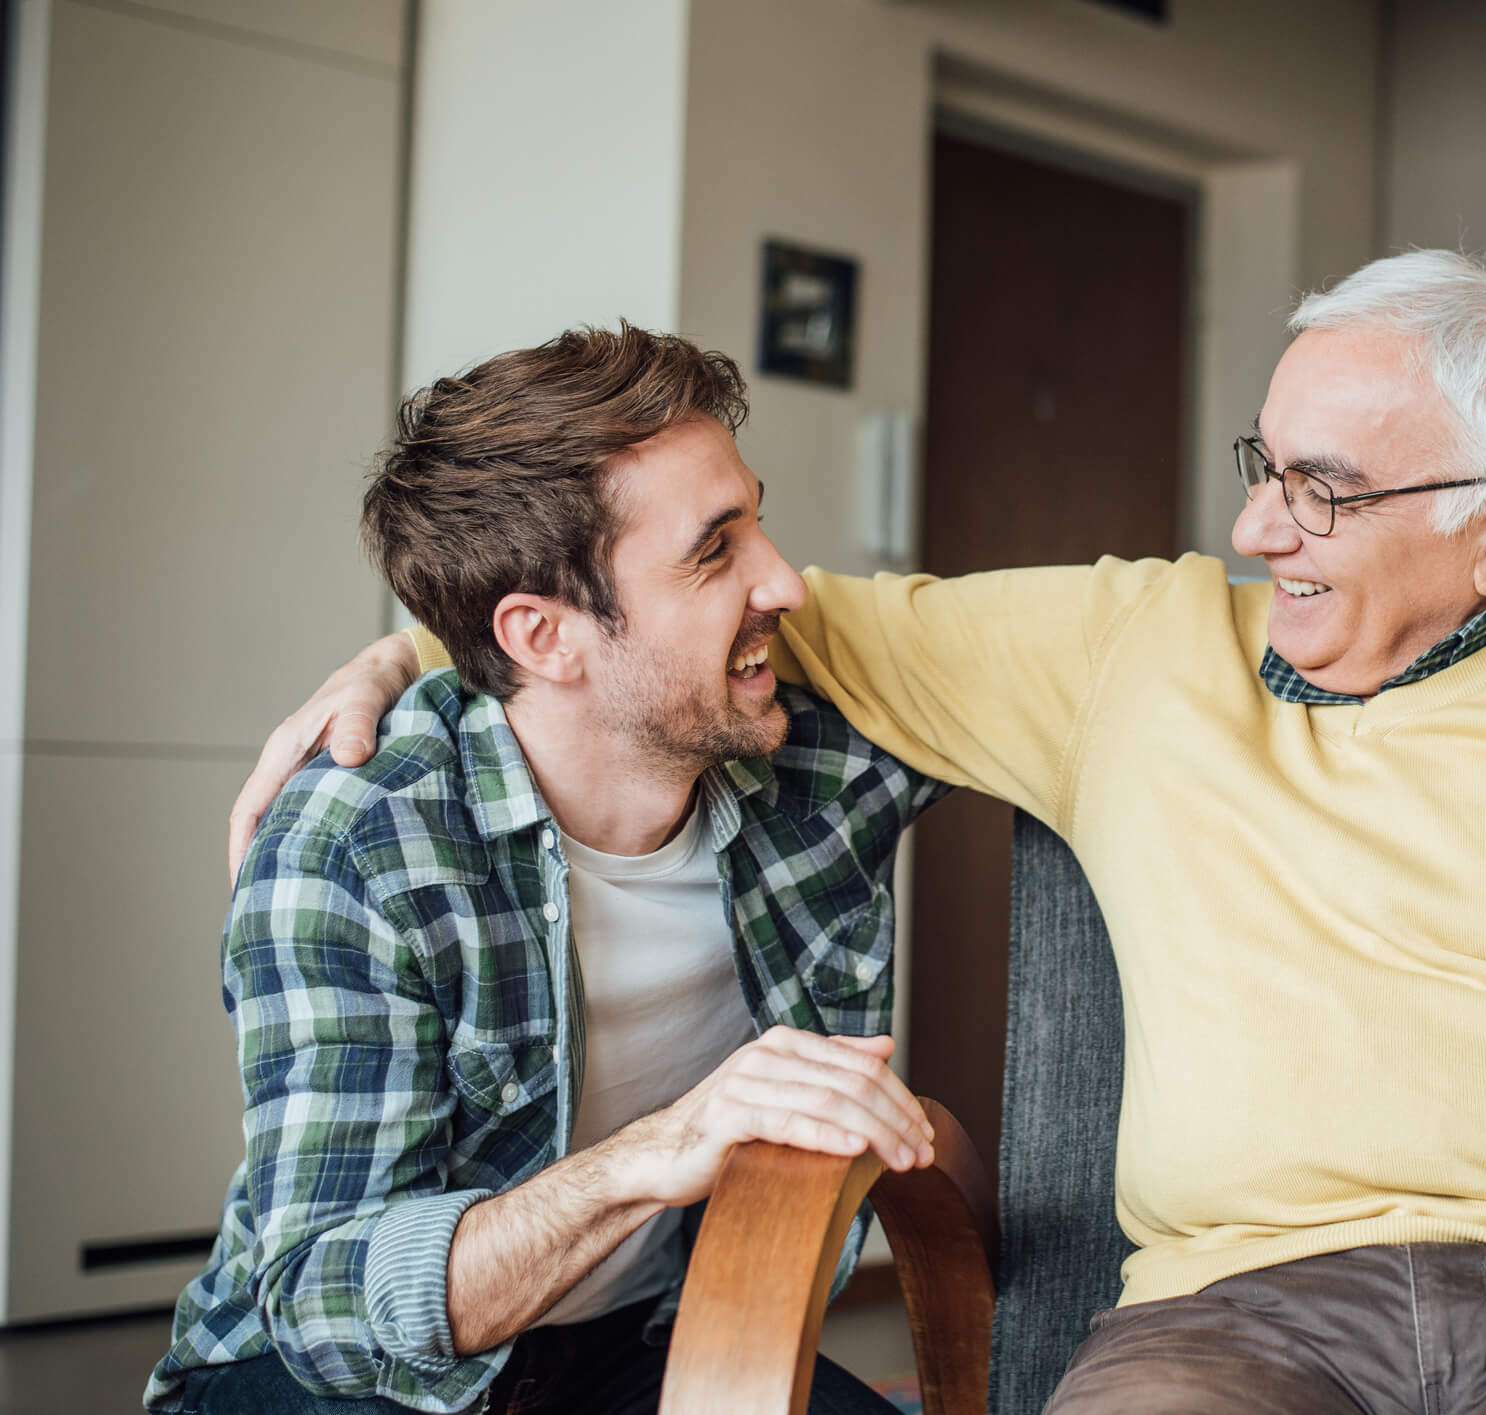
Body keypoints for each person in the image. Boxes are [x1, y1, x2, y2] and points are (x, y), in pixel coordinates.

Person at [246, 252, 1486, 1415]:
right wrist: (425, 641)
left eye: (1324, 490)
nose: (1258, 533)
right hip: (1234, 1320)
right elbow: (647, 625)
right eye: (1260, 468)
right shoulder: (1131, 648)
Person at [150, 328, 948, 1414]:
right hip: (336, 1380)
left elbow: (1098, 677)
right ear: (540, 634)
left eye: (758, 519)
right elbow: (321, 1293)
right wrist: (661, 1148)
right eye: (715, 550)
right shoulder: (358, 839)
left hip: (642, 1339)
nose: (786, 584)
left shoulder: (822, 759)